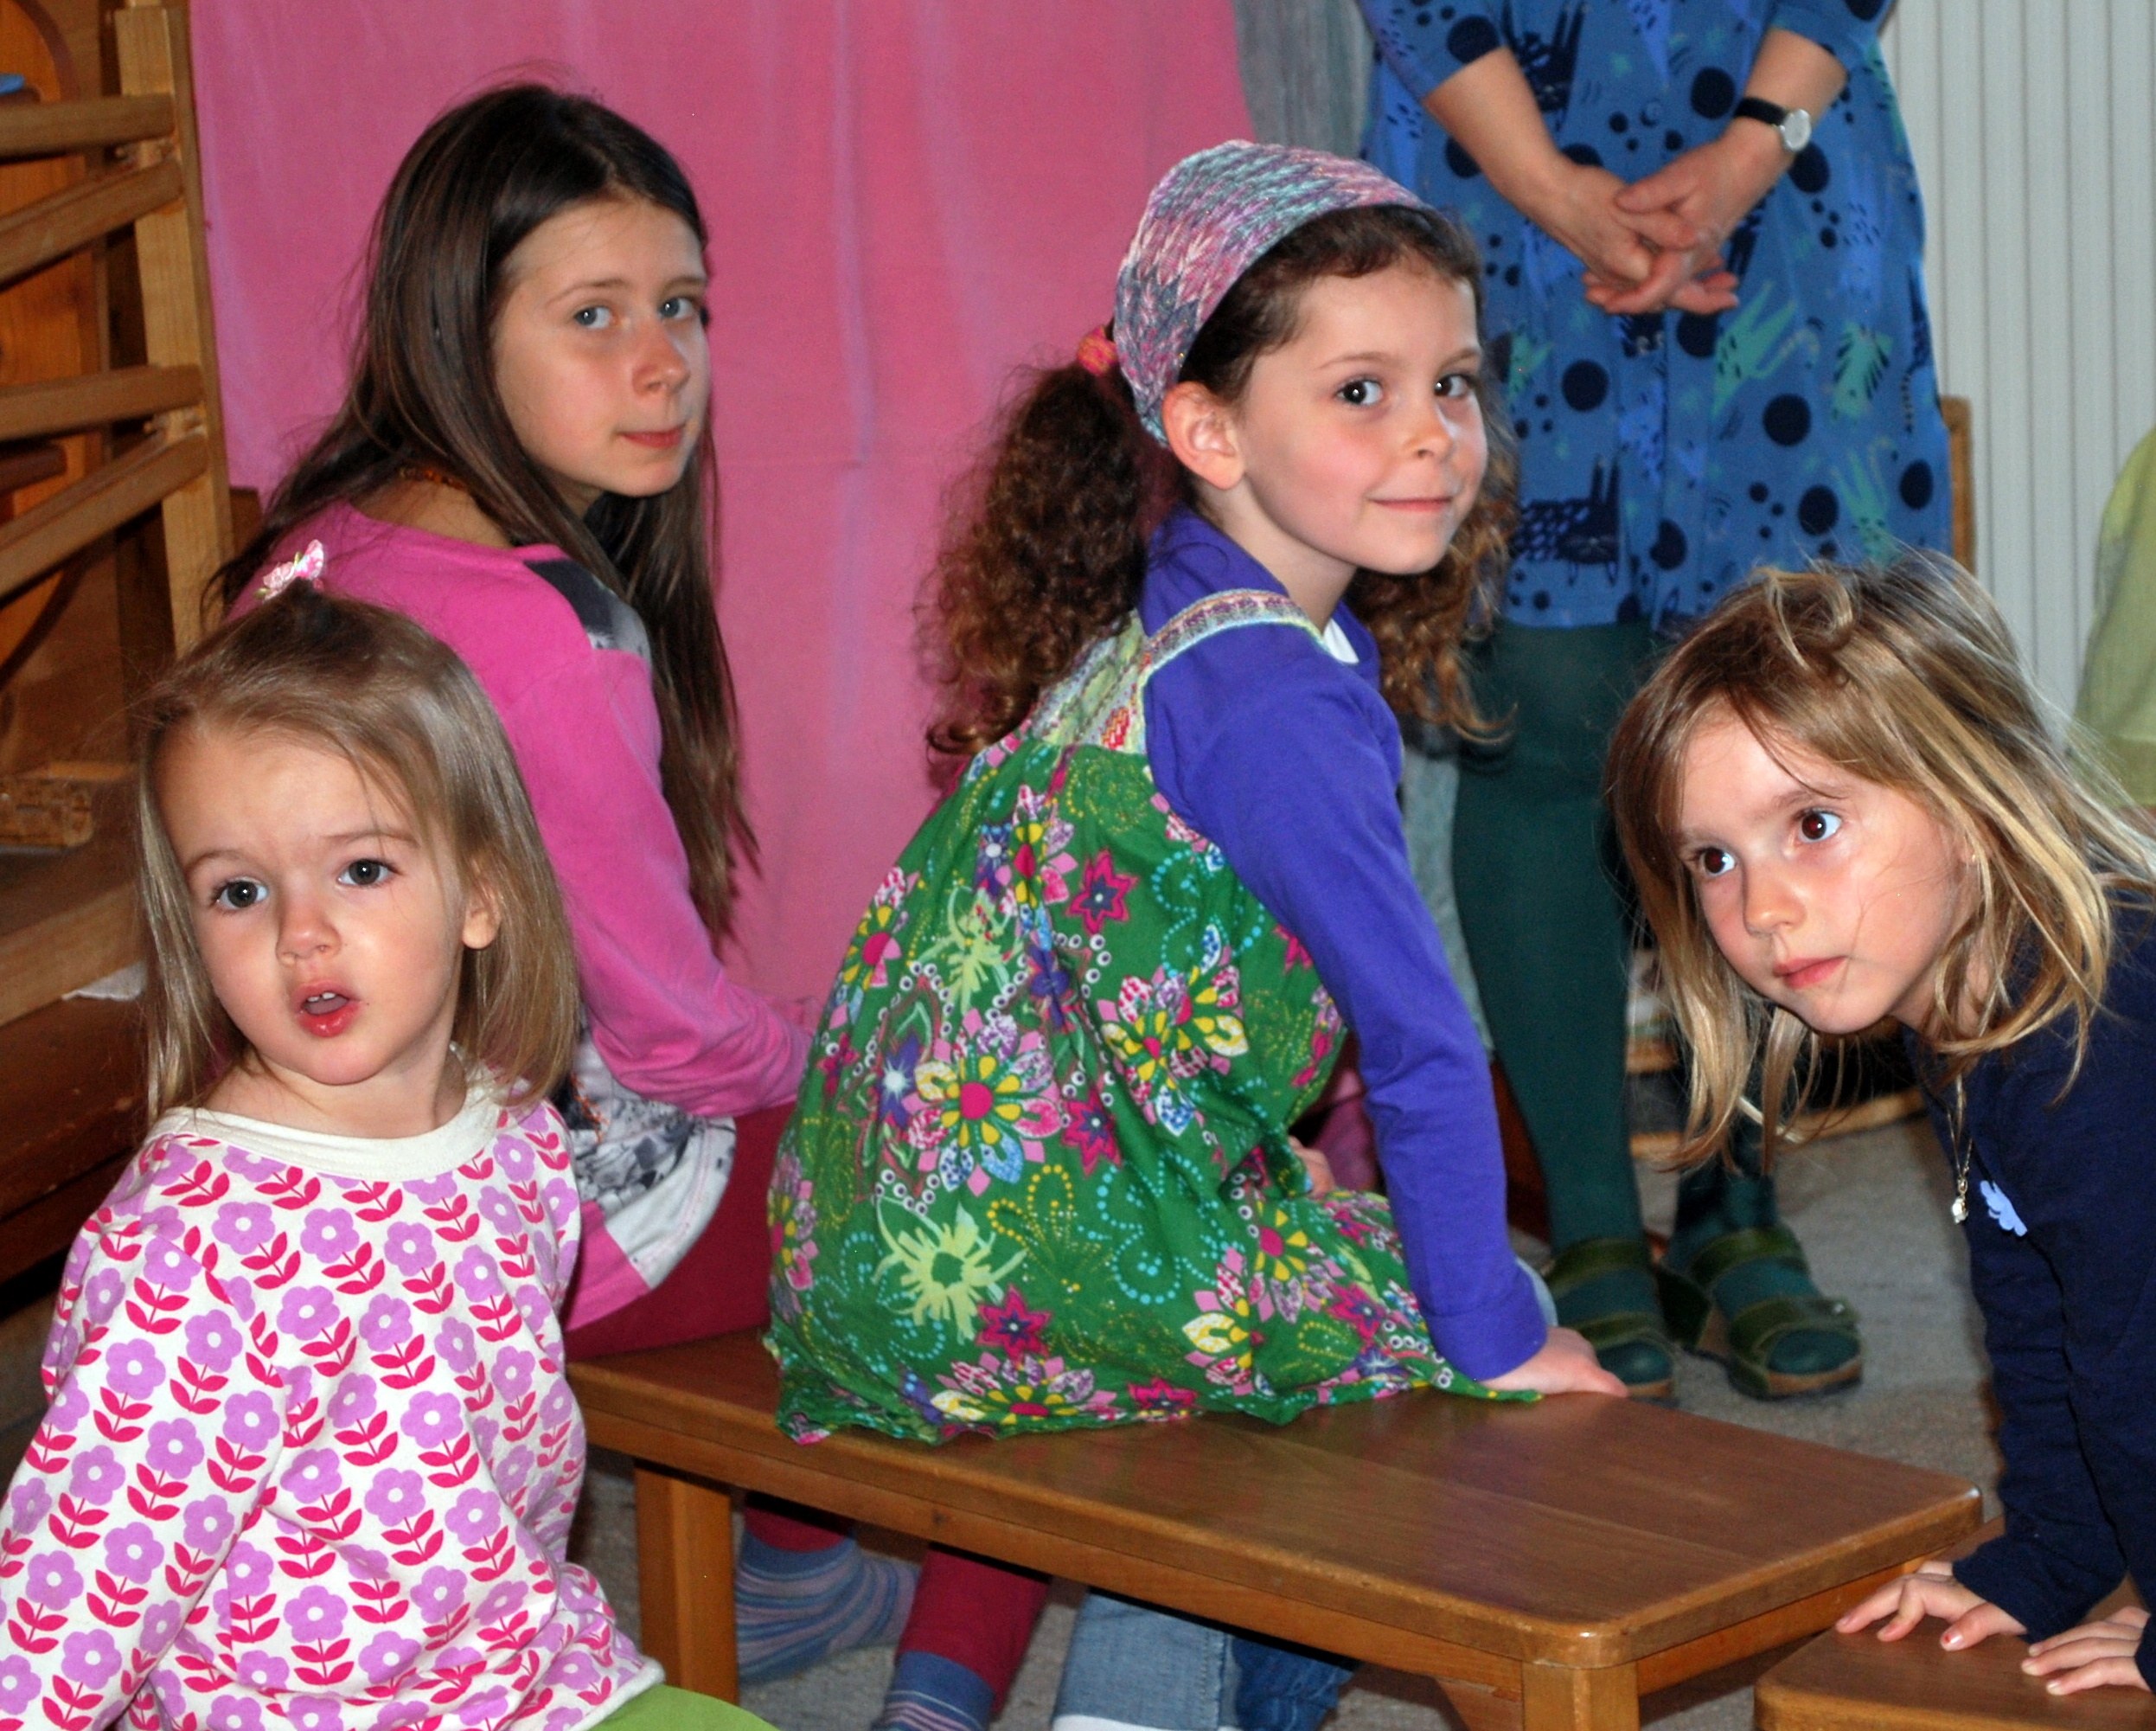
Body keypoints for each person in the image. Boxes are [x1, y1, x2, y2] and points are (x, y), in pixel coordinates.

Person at [210, 86, 1036, 1726]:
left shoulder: (315, 547)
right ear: (459, 329)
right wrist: (859, 1050)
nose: (662, 364)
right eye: (592, 316)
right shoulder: (541, 632)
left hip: (334, 1202)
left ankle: (799, 1565)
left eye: (681, 307)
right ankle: (944, 1688)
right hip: (534, 1241)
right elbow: (678, 1040)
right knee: (1026, 1178)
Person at [769, 140, 1621, 1731]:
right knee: (1448, 1337)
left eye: (1451, 382)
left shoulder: (1173, 606)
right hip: (1037, 1263)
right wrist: (1500, 1338)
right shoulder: (1281, 704)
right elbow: (1422, 1045)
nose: (1432, 434)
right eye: (1360, 392)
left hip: (882, 1240)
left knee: (1313, 1266)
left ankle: (977, 1699)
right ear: (1207, 429)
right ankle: (1154, 1707)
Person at [0, 584, 757, 1727]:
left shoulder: (513, 1133)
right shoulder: (200, 1253)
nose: (300, 933)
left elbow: (515, 1464)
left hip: (519, 1677)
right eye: (240, 891)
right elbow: (65, 1612)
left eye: (360, 869)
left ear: (481, 893)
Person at [1356, 0, 1954, 1399]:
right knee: (1542, 704)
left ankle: (1735, 1204)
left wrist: (1748, 152)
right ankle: (1589, 1234)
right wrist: (1545, 185)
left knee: (1783, 701)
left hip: (1777, 180)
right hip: (1494, 170)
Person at [1606, 557, 2156, 1696]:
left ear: (1969, 796)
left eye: (1812, 824)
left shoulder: (2089, 1038)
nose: (1762, 908)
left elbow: (2136, 1361)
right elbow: (2040, 1310)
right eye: (1714, 859)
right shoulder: (1971, 1001)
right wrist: (2049, 1559)